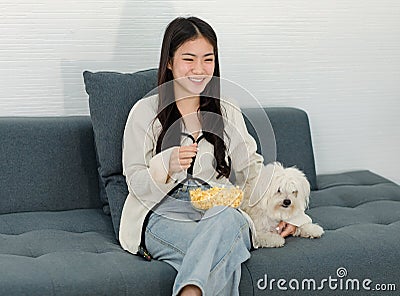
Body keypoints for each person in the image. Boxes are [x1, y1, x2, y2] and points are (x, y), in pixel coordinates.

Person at [119, 16, 297, 296]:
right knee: (219, 252)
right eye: (189, 59)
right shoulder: (145, 112)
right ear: (169, 61)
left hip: (218, 209)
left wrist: (287, 211)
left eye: (208, 60)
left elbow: (251, 167)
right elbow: (136, 182)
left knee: (225, 222)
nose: (199, 70)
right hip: (162, 212)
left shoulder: (226, 109)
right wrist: (166, 163)